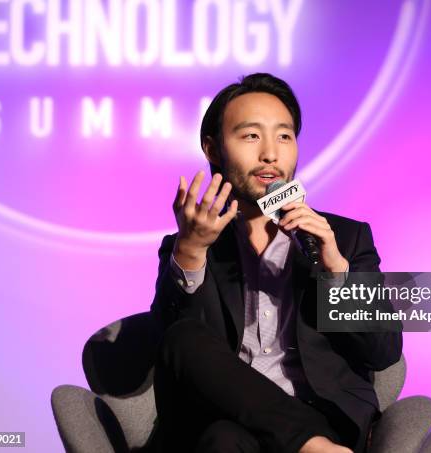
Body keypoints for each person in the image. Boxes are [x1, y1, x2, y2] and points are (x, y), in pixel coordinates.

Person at [149, 73, 402, 453]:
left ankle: (314, 442)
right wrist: (192, 252)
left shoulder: (345, 238)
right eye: (251, 136)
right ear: (213, 150)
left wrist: (335, 271)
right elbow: (171, 354)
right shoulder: (187, 245)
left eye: (284, 136)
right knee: (215, 423)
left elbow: (383, 352)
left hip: (325, 415)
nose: (271, 153)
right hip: (230, 419)